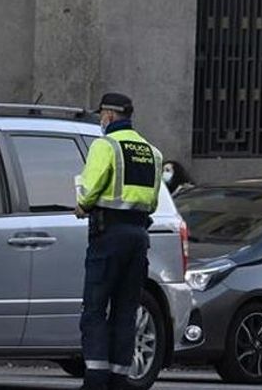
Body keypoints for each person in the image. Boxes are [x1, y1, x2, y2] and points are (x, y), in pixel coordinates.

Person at [75, 92, 163, 390]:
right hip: (139, 237)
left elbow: (88, 191)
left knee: (95, 308)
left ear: (109, 116)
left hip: (109, 235)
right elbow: (151, 202)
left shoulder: (106, 145)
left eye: (101, 115)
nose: (101, 120)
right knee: (127, 309)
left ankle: (96, 378)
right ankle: (118, 377)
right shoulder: (153, 152)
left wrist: (82, 205)